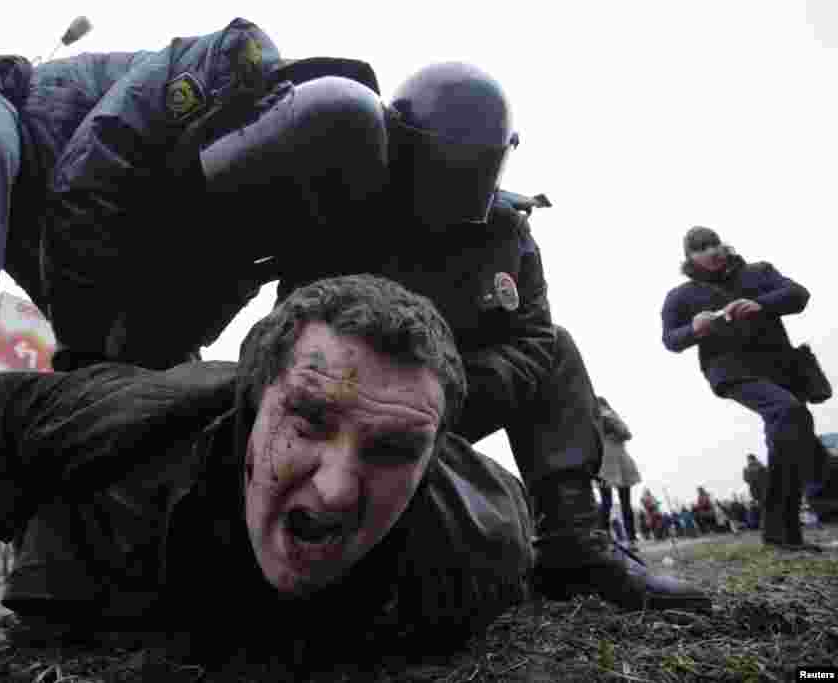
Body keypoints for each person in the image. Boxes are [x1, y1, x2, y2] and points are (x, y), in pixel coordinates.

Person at [0, 16, 392, 677]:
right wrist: (90, 367)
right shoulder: (225, 65)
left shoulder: (287, 233)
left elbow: (260, 339)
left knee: (161, 414)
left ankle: (66, 582)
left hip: (97, 250)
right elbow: (83, 191)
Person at [269, 62, 708, 612]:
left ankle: (574, 545)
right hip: (349, 412)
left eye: (474, 169)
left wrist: (449, 390)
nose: (456, 187)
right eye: (444, 168)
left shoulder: (507, 233)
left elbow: (534, 336)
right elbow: (288, 329)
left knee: (562, 349)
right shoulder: (348, 206)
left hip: (458, 398)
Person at [0, 274, 535, 663]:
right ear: (254, 403)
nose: (335, 488)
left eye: (394, 449)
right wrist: (21, 522)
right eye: (309, 419)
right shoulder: (125, 434)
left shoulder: (478, 547)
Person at [661, 226, 822, 552]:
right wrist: (694, 329)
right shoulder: (682, 296)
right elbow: (671, 339)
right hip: (731, 372)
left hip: (779, 368)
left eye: (714, 243)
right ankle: (781, 529)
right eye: (701, 247)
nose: (711, 251)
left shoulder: (758, 272)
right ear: (690, 256)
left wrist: (760, 304)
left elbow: (799, 294)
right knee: (787, 412)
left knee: (794, 429)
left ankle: (783, 531)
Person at [594, 396, 642, 551]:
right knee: (620, 503)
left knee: (608, 502)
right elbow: (627, 434)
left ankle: (608, 540)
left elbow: (626, 434)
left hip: (608, 462)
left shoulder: (601, 416)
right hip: (614, 462)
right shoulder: (608, 416)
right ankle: (629, 540)